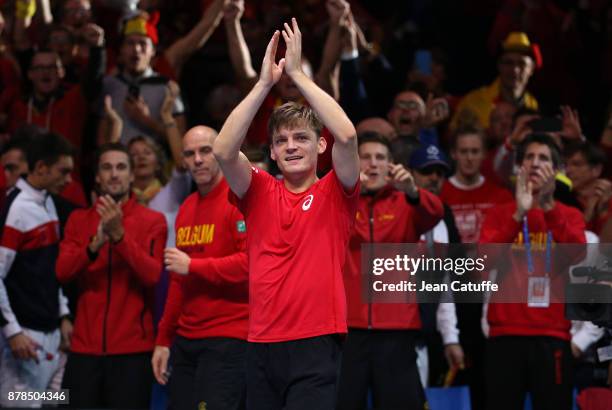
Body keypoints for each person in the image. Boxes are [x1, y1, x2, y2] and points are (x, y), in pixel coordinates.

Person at [213, 19, 359, 410]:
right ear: (273, 152)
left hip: (316, 342)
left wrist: (297, 76)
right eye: (281, 140)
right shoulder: (259, 189)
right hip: (261, 343)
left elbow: (347, 135)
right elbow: (224, 150)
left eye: (301, 138)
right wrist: (263, 85)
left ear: (319, 145)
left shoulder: (335, 191)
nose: (291, 146)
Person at [338, 132, 445, 409]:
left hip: (396, 329)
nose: (373, 164)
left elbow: (436, 213)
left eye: (380, 158)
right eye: (365, 157)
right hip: (349, 329)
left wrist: (412, 191)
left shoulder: (406, 204)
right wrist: (344, 193)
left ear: (391, 166)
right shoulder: (339, 203)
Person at [56, 143, 167, 409]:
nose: (114, 174)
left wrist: (119, 237)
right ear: (97, 176)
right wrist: (95, 244)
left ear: (131, 175)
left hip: (132, 351)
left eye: (121, 167)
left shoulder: (153, 220)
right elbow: (62, 272)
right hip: (84, 349)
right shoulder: (78, 220)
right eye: (107, 168)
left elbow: (152, 275)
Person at [480, 133, 586, 410]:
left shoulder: (570, 215)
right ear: (519, 167)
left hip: (552, 336)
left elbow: (577, 256)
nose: (536, 164)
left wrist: (549, 208)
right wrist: (518, 215)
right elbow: (484, 261)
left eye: (544, 159)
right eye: (530, 157)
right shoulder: (500, 213)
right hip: (505, 335)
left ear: (557, 170)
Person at [152, 126, 249, 410]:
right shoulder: (187, 207)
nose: (197, 160)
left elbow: (251, 265)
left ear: (219, 153)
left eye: (205, 151)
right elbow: (178, 281)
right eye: (189, 154)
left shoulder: (238, 200)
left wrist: (194, 265)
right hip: (186, 339)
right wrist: (163, 340)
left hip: (228, 338)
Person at [0, 132, 74, 407]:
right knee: (19, 403)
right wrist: (12, 331)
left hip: (52, 334)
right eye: (63, 171)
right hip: (25, 339)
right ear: (41, 168)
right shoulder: (16, 209)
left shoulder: (48, 200)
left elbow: (49, 268)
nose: (69, 180)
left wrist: (63, 313)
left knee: (56, 401)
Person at [451, 32, 540, 131]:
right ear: (499, 66)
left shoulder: (533, 106)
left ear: (531, 69)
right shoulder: (473, 103)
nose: (515, 70)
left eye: (522, 64)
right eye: (508, 63)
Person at [440, 127, 513, 243]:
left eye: (475, 151)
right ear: (453, 154)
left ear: (484, 154)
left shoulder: (502, 197)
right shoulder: (439, 195)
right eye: (464, 151)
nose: (469, 158)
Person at [564, 142, 612, 236]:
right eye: (566, 165)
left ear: (596, 170)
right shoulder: (563, 200)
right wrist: (589, 212)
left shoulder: (609, 198)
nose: (568, 171)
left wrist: (603, 212)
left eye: (576, 164)